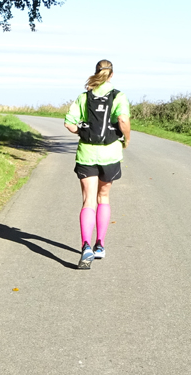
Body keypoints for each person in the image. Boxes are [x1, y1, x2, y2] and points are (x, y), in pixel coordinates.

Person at [64, 60, 131, 269]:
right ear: (112, 75)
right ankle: (100, 245)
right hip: (110, 154)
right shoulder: (118, 96)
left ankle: (85, 246)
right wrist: (126, 139)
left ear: (96, 73)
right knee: (104, 197)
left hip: (86, 154)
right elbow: (123, 121)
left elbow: (69, 123)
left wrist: (84, 132)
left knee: (88, 201)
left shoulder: (84, 97)